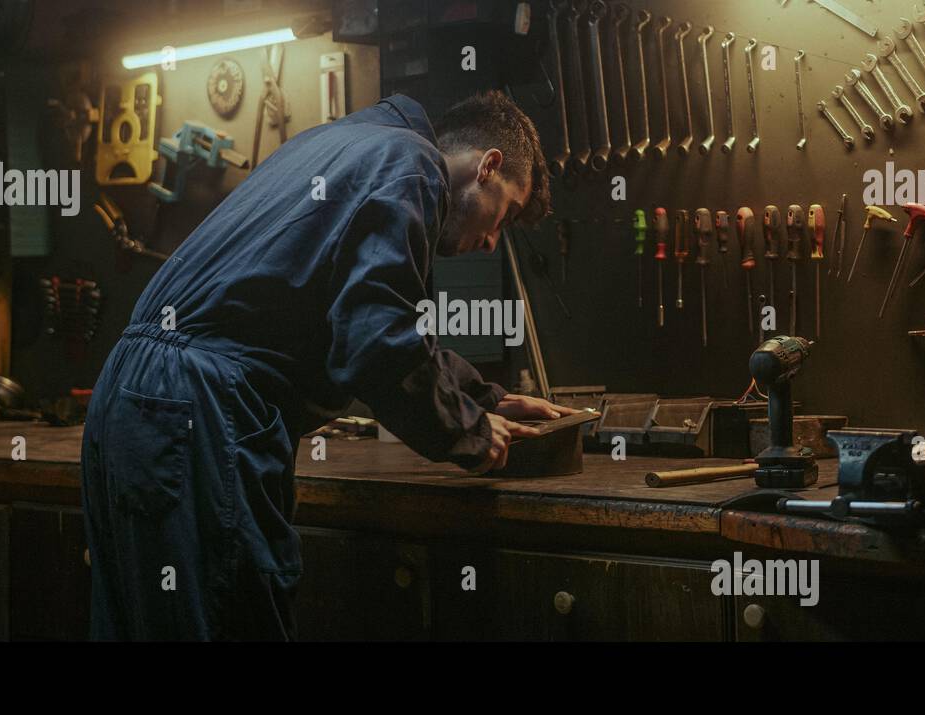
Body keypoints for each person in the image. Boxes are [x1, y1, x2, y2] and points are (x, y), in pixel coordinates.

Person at [80, 90, 577, 640]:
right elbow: (377, 343)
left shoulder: (337, 143)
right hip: (198, 408)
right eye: (502, 217)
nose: (490, 243)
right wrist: (470, 433)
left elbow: (361, 312)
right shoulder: (412, 165)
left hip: (134, 397)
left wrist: (485, 398)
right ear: (488, 166)